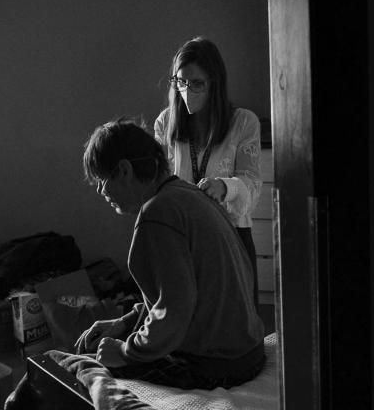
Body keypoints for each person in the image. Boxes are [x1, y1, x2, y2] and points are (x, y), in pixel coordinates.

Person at [77, 118, 265, 389]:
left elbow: (175, 309)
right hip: (248, 352)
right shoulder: (188, 194)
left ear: (124, 170)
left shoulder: (157, 213)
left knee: (84, 366)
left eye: (102, 180)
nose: (100, 191)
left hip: (217, 366)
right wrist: (126, 322)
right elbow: (185, 291)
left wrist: (125, 352)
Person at [154, 37, 263, 308]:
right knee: (189, 322)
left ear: (215, 83)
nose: (187, 91)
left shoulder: (243, 122)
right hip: (183, 237)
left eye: (197, 83)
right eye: (181, 82)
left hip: (230, 235)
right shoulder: (166, 122)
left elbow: (252, 185)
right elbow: (159, 183)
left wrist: (225, 187)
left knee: (236, 319)